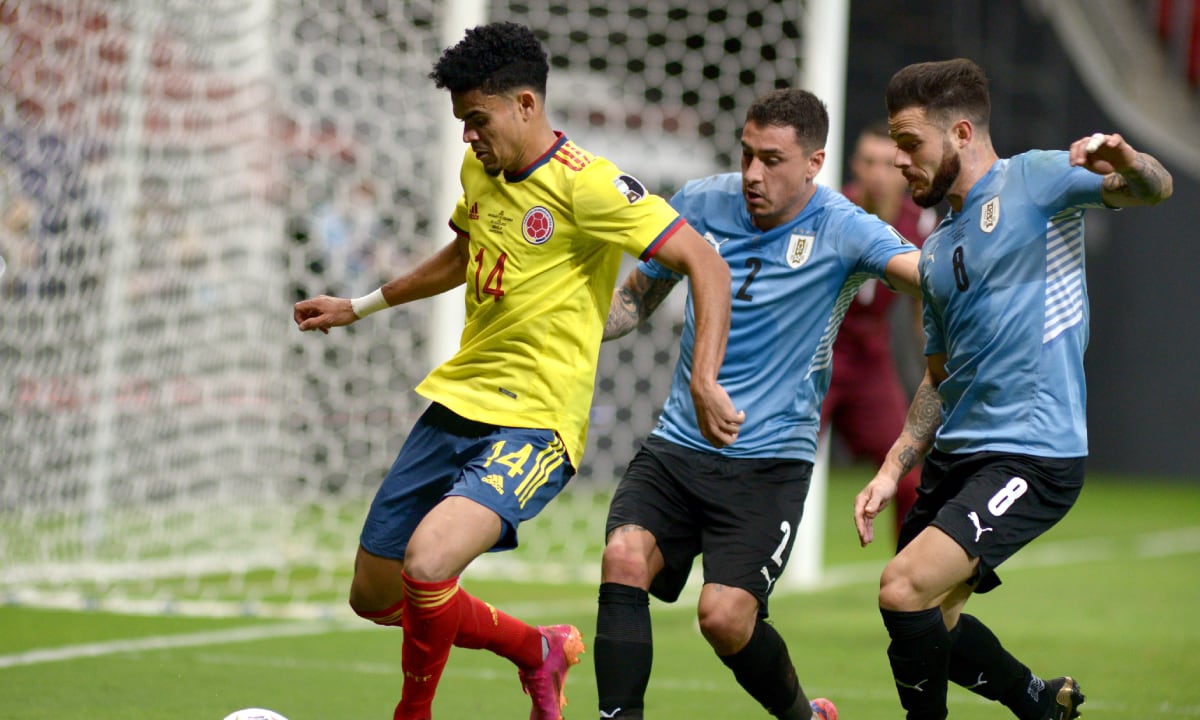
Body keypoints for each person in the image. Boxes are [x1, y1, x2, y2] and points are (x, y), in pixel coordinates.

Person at [293, 22, 739, 720]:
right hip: (457, 402)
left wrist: (703, 377)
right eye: (463, 123)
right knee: (374, 595)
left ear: (526, 105)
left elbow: (704, 262)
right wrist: (361, 305)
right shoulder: (483, 170)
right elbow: (463, 253)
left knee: (429, 563)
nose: (468, 136)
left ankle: (411, 713)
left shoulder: (588, 186)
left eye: (477, 119)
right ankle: (538, 650)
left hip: (534, 421)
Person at [853, 58, 1173, 720]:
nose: (900, 161)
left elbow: (1155, 189)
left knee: (901, 587)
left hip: (1032, 452)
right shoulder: (939, 250)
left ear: (962, 133)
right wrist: (892, 468)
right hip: (956, 457)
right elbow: (942, 380)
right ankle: (1036, 700)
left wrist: (1130, 160)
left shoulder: (1035, 179)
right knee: (929, 625)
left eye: (910, 144)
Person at [596, 88, 921, 720]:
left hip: (769, 461)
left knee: (722, 616)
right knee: (623, 557)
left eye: (772, 159)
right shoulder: (697, 203)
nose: (752, 174)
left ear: (814, 163)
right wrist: (564, 323)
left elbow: (923, 276)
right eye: (746, 154)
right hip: (679, 444)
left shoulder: (844, 227)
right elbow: (635, 301)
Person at [821, 122, 937, 539]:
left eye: (888, 164)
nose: (877, 173)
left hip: (871, 359)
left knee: (907, 476)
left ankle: (910, 581)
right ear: (854, 165)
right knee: (781, 466)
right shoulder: (832, 211)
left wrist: (936, 362)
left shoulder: (918, 221)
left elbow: (921, 304)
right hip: (820, 356)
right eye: (868, 162)